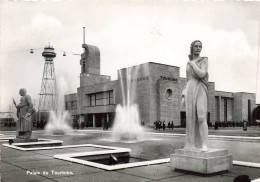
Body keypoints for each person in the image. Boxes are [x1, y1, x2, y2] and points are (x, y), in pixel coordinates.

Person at [182, 40, 209, 152]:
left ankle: (204, 144)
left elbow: (202, 74)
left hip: (200, 88)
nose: (198, 48)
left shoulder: (204, 60)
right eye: (196, 46)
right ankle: (191, 144)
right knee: (190, 119)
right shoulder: (188, 63)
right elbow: (187, 80)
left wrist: (193, 65)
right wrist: (183, 94)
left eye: (200, 46)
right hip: (190, 90)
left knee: (201, 116)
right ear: (192, 48)